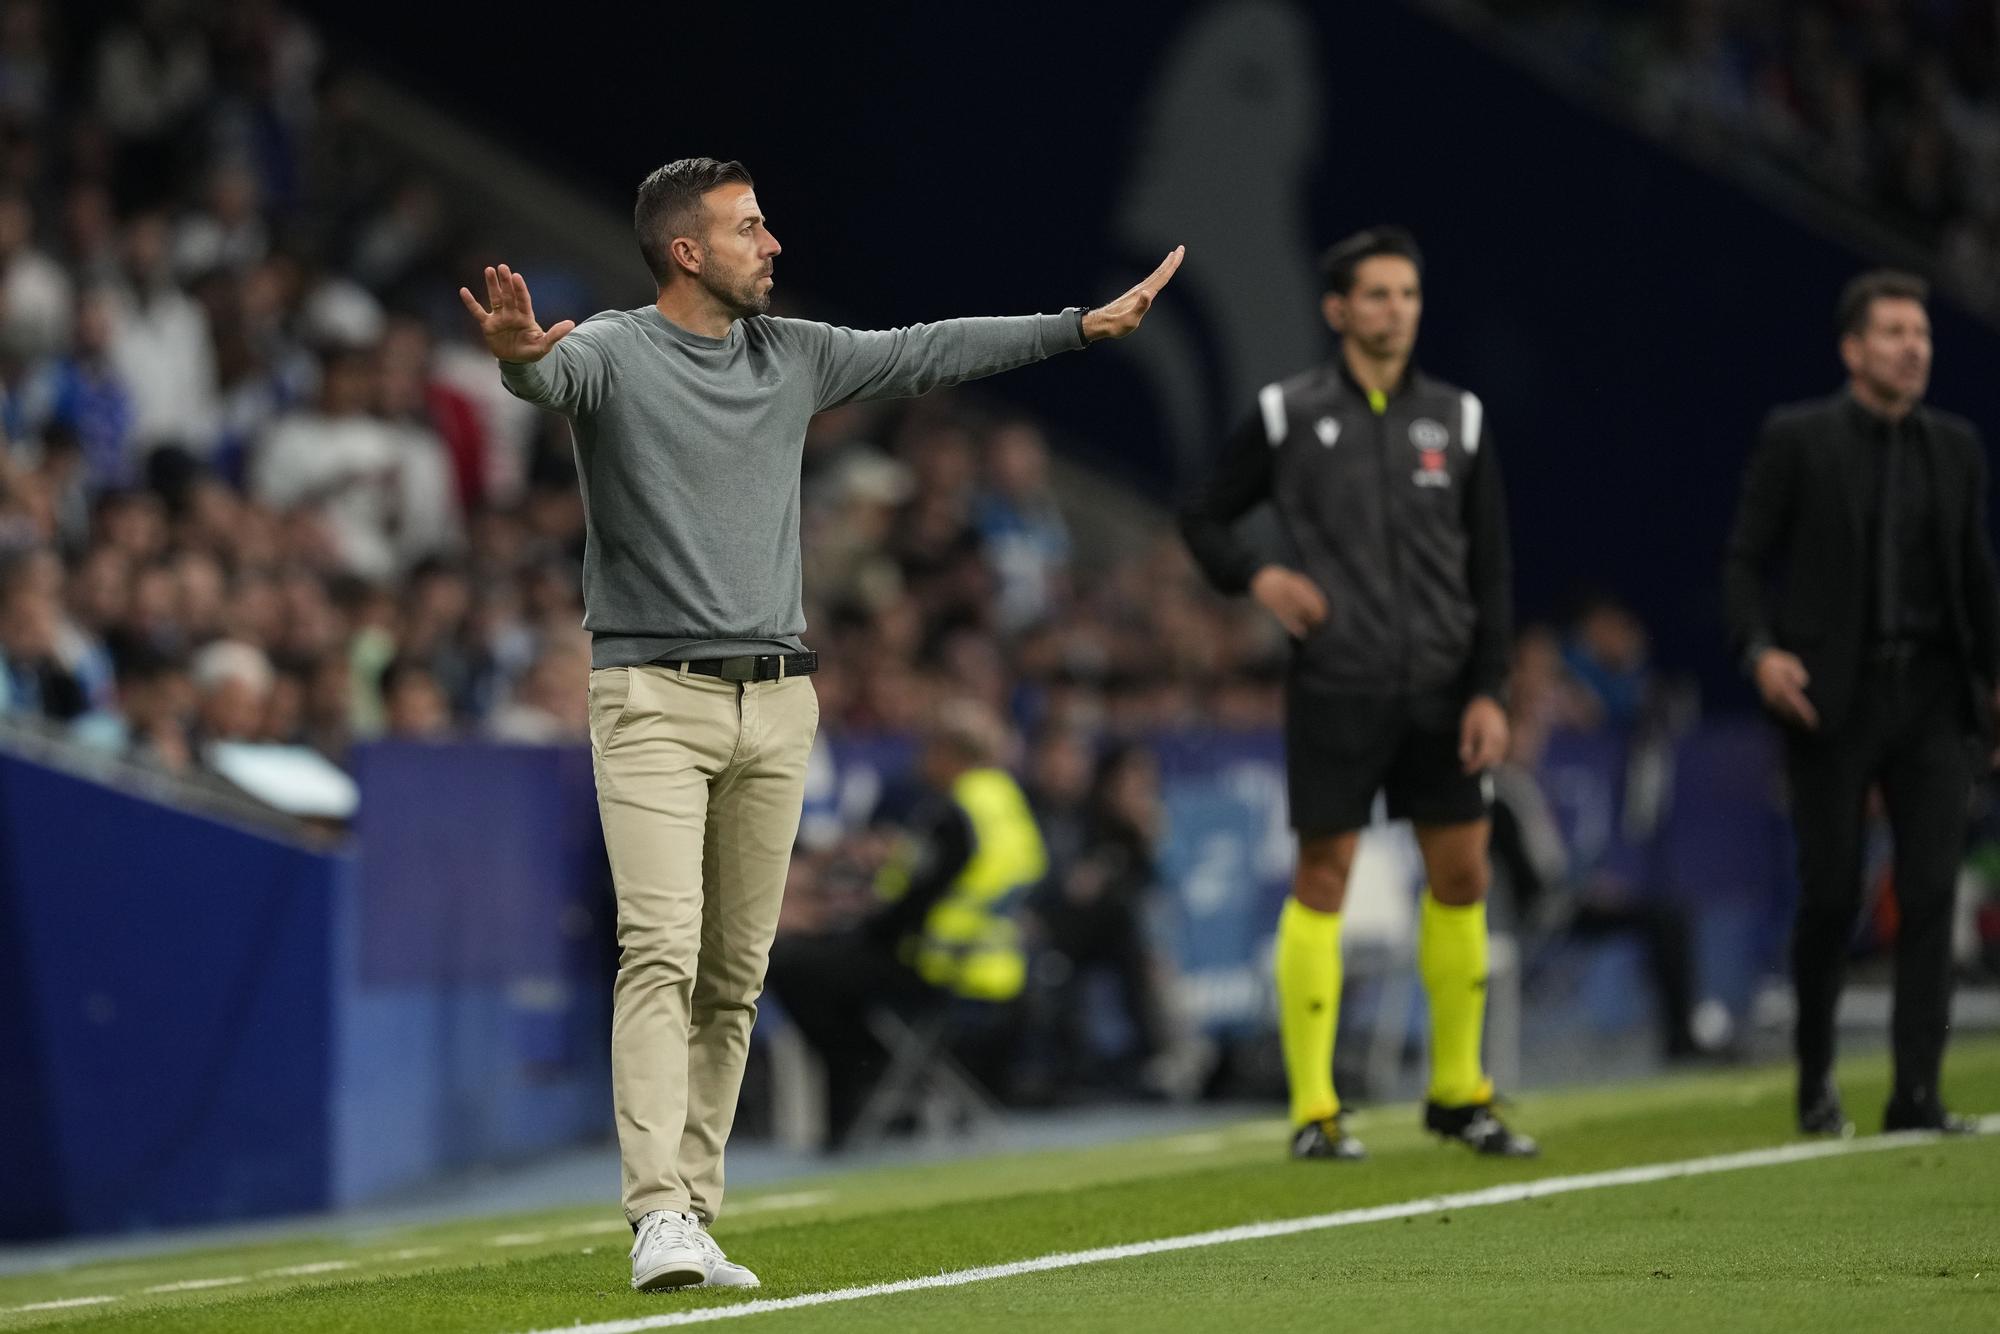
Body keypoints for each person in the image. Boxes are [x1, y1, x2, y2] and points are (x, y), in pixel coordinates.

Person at [459, 156, 1180, 1291]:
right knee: (660, 947)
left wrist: (1076, 329)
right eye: (749, 227)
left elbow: (926, 348)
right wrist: (513, 361)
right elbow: (549, 383)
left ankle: (696, 1207)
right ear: (685, 251)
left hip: (779, 699)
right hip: (650, 697)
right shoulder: (611, 348)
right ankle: (655, 1212)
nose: (773, 242)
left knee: (737, 970)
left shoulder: (791, 356)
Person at [1178, 225, 1534, 1161]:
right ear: (1337, 309)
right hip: (1338, 688)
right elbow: (1205, 515)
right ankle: (1314, 1109)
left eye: (1408, 295)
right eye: (1376, 295)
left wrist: (1492, 690)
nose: (1394, 311)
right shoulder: (1288, 413)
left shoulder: (1457, 420)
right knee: (1324, 879)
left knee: (1463, 877)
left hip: (1447, 692)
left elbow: (1492, 572)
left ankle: (1460, 1094)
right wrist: (1260, 577)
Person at [1723, 269, 1995, 1138]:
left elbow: (1977, 578)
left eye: (1920, 333)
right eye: (1892, 333)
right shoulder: (1798, 439)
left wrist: (1993, 686)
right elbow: (1742, 561)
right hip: (1830, 704)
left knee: (1928, 893)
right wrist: (1760, 655)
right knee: (1833, 892)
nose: (1913, 347)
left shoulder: (1956, 449)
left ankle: (1916, 1092)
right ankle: (1814, 1080)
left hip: (1932, 698)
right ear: (1852, 349)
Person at [766, 700, 1045, 1147]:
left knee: (791, 964)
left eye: (929, 750)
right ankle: (872, 1073)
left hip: (941, 964)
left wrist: (844, 922)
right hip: (995, 963)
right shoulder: (1005, 801)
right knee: (831, 967)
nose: (922, 762)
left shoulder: (955, 812)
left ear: (950, 753)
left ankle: (862, 1071)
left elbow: (913, 904)